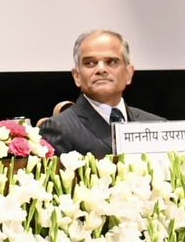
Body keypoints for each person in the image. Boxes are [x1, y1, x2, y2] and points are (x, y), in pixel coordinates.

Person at [42, 29, 164, 157]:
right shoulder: (58, 129)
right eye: (90, 63)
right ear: (77, 76)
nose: (101, 69)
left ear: (129, 74)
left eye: (111, 62)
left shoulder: (157, 125)